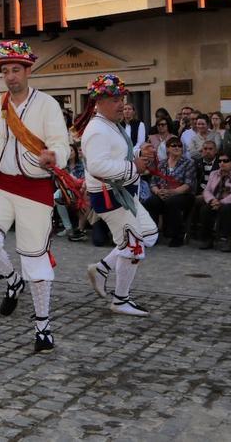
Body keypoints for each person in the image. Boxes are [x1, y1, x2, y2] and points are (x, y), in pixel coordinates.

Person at [0, 40, 68, 352]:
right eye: (5, 70)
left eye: (16, 69)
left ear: (28, 70)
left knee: (35, 260)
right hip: (2, 186)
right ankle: (12, 279)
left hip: (35, 190)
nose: (10, 76)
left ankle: (43, 328)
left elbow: (61, 143)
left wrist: (54, 155)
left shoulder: (47, 105)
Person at [79, 74, 157, 317]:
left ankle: (101, 269)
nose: (121, 103)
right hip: (111, 197)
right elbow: (98, 167)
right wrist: (135, 168)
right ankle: (121, 300)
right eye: (114, 99)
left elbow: (115, 155)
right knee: (134, 247)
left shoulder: (111, 124)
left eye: (122, 98)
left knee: (149, 235)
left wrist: (137, 154)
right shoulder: (97, 130)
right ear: (98, 101)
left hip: (125, 193)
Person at [144, 137, 194, 247]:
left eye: (179, 146)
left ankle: (177, 236)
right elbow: (153, 183)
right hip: (162, 193)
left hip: (183, 194)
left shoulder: (188, 163)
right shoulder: (161, 164)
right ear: (167, 149)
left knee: (172, 202)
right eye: (174, 145)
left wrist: (172, 192)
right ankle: (152, 234)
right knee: (151, 202)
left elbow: (188, 184)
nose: (177, 147)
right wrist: (158, 192)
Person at [196, 153, 231, 251]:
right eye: (220, 161)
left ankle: (229, 240)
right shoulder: (214, 173)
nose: (222, 163)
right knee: (205, 209)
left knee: (226, 209)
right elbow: (207, 190)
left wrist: (222, 202)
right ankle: (207, 239)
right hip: (216, 201)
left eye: (225, 161)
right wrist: (212, 200)